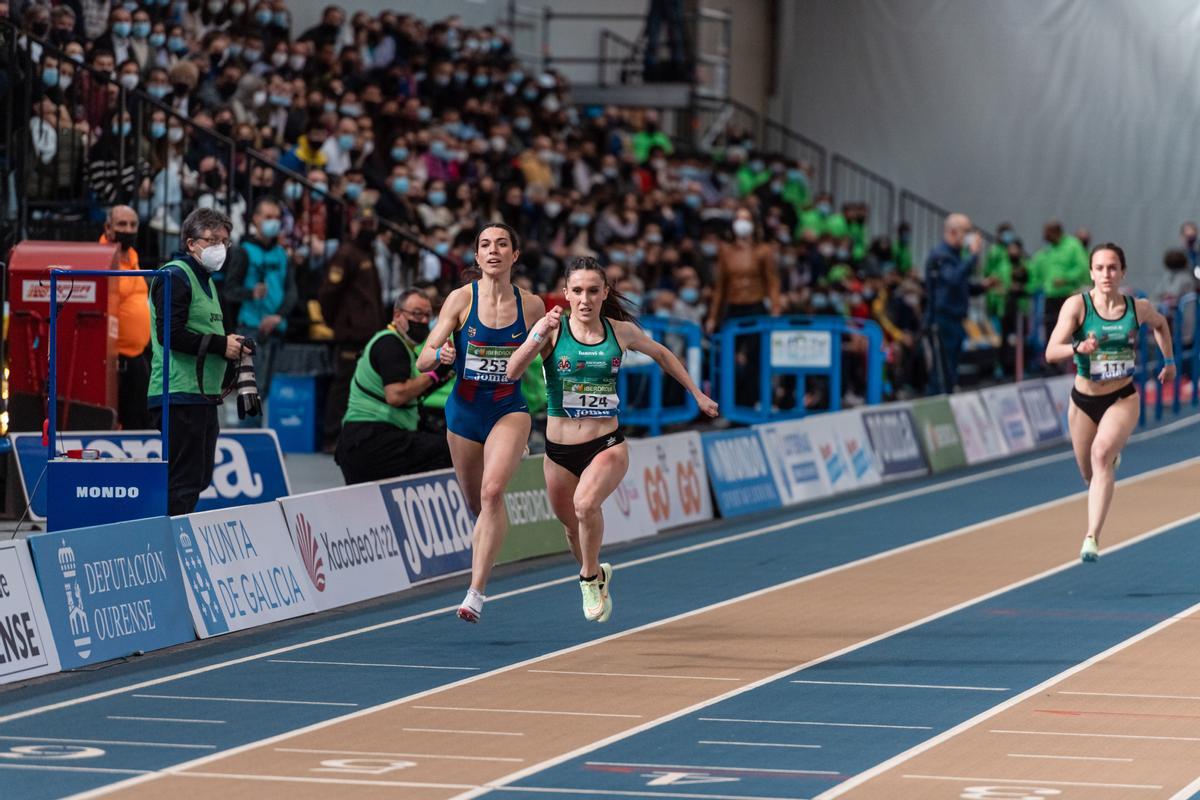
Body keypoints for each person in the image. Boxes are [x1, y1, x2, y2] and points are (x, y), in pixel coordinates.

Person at [507, 256, 718, 622]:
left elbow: (663, 355)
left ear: (605, 292)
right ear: (566, 294)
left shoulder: (620, 332)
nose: (585, 299)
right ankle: (598, 572)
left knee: (586, 505)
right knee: (572, 528)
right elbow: (512, 370)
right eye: (577, 291)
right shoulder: (552, 331)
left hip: (606, 444)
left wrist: (696, 394)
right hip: (558, 451)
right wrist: (538, 332)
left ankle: (588, 578)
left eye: (592, 291)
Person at [416, 223, 547, 623]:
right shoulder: (459, 299)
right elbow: (423, 358)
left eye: (502, 244)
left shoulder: (532, 306)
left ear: (514, 255)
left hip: (508, 409)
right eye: (485, 245)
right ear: (476, 256)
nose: (493, 251)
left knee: (492, 494)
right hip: (464, 414)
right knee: (477, 503)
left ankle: (476, 592)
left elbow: (546, 363)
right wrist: (439, 356)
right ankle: (504, 455)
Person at [1044, 243, 1174, 562]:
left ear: (1122, 272)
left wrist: (1168, 360)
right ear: (1091, 273)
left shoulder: (1136, 308)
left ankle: (1092, 538)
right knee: (1089, 475)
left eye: (1112, 268)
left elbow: (1161, 324)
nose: (1106, 274)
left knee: (1101, 454)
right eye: (1100, 268)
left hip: (1122, 397)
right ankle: (1106, 466)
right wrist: (1078, 347)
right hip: (1083, 401)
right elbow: (1050, 351)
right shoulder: (1077, 307)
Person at [148, 208, 247, 516]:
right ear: (191, 243)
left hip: (203, 394)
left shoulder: (207, 281)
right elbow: (171, 334)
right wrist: (221, 345)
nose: (221, 248)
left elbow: (207, 332)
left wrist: (233, 347)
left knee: (200, 478)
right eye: (213, 240)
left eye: (225, 242)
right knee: (183, 481)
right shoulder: (176, 276)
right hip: (179, 392)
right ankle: (170, 544)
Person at [335, 290, 454, 484]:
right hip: (371, 439)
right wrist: (434, 374)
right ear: (397, 315)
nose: (423, 321)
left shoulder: (401, 346)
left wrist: (443, 373)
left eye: (427, 315)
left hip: (364, 441)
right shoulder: (390, 344)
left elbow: (414, 392)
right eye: (417, 314)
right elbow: (396, 395)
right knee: (449, 450)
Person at [222, 196, 296, 424]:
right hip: (250, 327)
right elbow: (228, 290)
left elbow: (292, 291)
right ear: (255, 219)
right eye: (268, 217)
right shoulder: (244, 251)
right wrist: (250, 293)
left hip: (275, 328)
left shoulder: (282, 254)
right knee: (250, 389)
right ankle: (249, 442)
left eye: (277, 218)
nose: (273, 222)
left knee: (266, 389)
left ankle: (261, 440)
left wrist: (278, 316)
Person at [924, 213, 986, 395]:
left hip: (956, 320)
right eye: (966, 231)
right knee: (941, 374)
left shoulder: (956, 256)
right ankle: (933, 415)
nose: (969, 235)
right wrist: (973, 256)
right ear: (952, 231)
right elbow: (952, 278)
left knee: (951, 373)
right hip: (942, 321)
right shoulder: (940, 255)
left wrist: (982, 286)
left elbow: (960, 285)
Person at [101, 204, 151, 430]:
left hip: (137, 355)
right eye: (122, 224)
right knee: (121, 421)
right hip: (114, 358)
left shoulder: (132, 256)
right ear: (108, 228)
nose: (128, 230)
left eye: (133, 225)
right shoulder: (100, 259)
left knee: (141, 420)